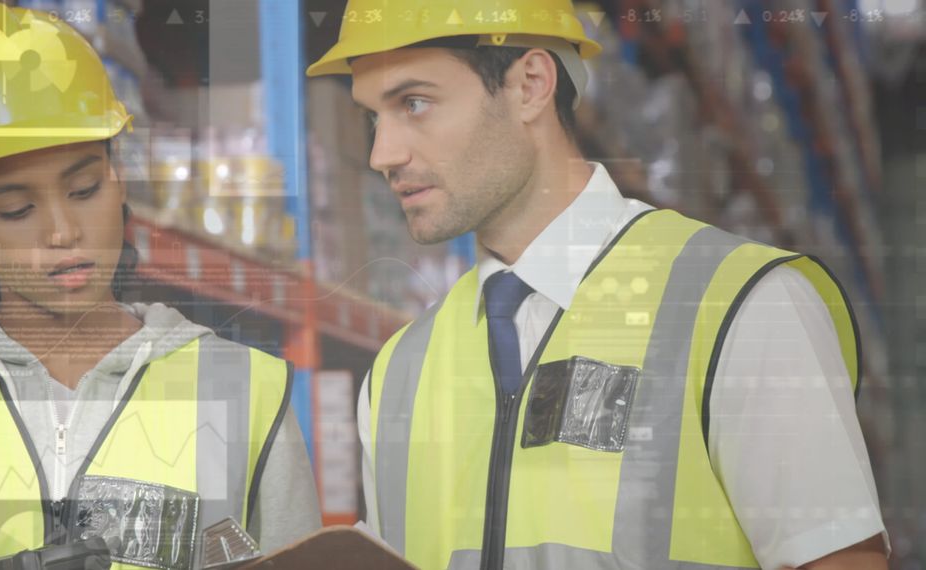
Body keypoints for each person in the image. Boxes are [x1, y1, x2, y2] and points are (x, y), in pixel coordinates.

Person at [307, 1, 888, 569]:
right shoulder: (397, 374)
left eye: (414, 103)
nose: (382, 154)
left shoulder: (739, 306)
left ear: (530, 84)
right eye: (374, 117)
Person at [0, 5, 319, 568]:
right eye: (16, 209)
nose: (63, 232)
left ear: (118, 179)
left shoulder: (245, 389)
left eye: (85, 189)